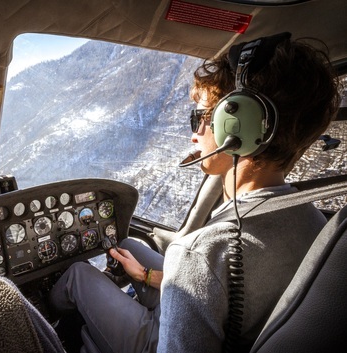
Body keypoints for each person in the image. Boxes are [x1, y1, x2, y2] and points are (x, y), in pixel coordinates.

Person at [49, 33, 341, 353]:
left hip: (159, 342)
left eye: (199, 117)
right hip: (230, 323)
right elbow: (213, 294)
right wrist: (145, 276)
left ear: (237, 126)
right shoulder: (316, 221)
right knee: (128, 241)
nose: (193, 135)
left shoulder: (204, 250)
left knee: (77, 274)